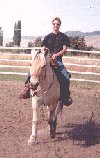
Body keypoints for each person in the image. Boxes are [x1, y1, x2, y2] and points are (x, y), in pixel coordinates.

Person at [19, 17, 73, 106]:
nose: (56, 25)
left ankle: (65, 96)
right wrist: (41, 52)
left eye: (58, 24)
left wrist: (57, 54)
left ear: (60, 25)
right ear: (52, 24)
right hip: (46, 59)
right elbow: (43, 47)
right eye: (54, 24)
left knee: (66, 76)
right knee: (31, 72)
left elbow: (64, 49)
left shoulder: (63, 37)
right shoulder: (48, 37)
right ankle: (27, 91)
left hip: (57, 60)